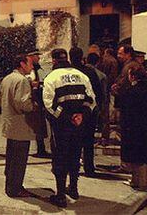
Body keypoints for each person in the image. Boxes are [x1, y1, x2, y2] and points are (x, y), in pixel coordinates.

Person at [43, 48, 95, 207]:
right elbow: (91, 100)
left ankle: (60, 195)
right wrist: (81, 116)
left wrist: (67, 117)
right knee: (75, 155)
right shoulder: (82, 75)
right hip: (80, 125)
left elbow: (49, 105)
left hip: (62, 127)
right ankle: (73, 188)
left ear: (54, 60)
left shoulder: (51, 78)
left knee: (60, 157)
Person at [0, 54, 36, 198]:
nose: (32, 67)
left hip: (9, 124)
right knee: (19, 160)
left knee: (11, 159)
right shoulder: (22, 81)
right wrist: (34, 106)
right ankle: (16, 189)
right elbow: (23, 103)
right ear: (22, 64)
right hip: (20, 125)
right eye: (30, 64)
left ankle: (10, 187)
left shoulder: (7, 79)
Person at [120, 63, 147, 188]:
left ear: (132, 76)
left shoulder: (131, 91)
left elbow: (127, 111)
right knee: (145, 156)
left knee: (136, 156)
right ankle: (145, 180)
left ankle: (137, 181)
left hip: (133, 127)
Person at [69, 47, 104, 177]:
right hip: (88, 111)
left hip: (73, 112)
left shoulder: (69, 73)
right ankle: (89, 168)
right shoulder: (89, 71)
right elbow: (98, 92)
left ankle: (74, 169)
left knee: (74, 142)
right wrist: (96, 108)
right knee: (88, 141)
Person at [26, 50, 50, 158]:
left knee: (39, 126)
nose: (38, 58)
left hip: (39, 101)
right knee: (33, 126)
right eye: (36, 56)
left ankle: (41, 148)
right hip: (32, 101)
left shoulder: (39, 69)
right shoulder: (28, 71)